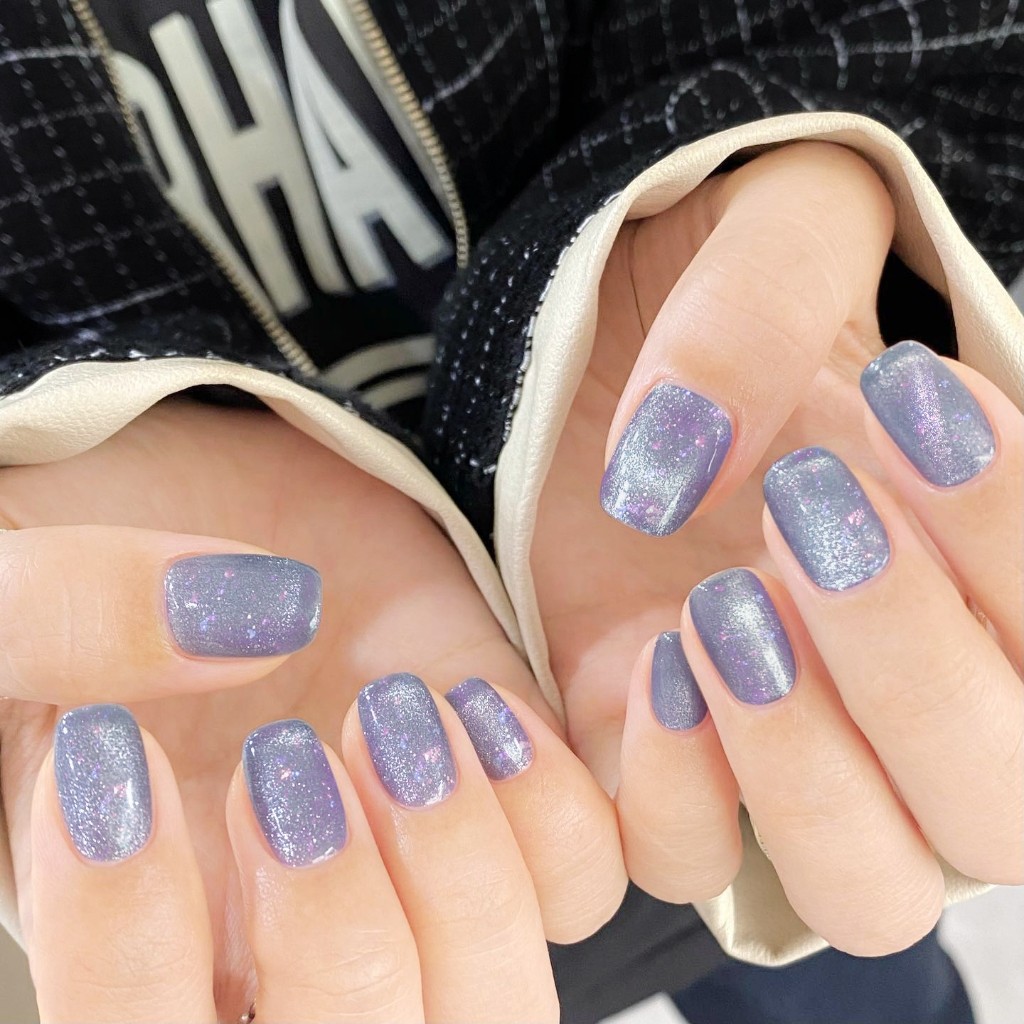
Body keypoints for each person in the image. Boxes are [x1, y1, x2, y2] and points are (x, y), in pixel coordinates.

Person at [0, 1, 1021, 1021]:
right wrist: (50, 455)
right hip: (409, 832)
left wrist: (790, 171)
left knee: (859, 966)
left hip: (744, 673)